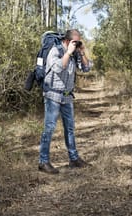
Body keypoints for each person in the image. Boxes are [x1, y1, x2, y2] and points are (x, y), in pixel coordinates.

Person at [38, 29, 92, 174]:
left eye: (79, 41)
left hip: (67, 97)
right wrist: (68, 52)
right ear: (67, 41)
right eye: (75, 41)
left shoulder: (75, 54)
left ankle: (74, 159)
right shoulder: (55, 51)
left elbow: (86, 68)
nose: (77, 43)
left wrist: (81, 51)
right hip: (53, 95)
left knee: (70, 129)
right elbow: (57, 67)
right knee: (49, 129)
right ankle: (43, 162)